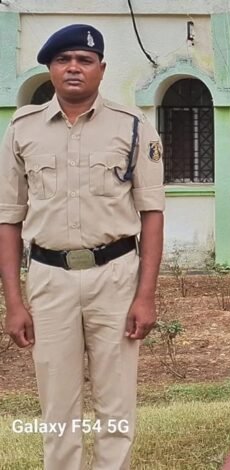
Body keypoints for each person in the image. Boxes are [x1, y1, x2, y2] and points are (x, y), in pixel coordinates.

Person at [0, 24, 164, 470]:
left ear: (101, 69)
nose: (74, 68)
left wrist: (145, 296)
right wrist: (14, 301)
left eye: (84, 60)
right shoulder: (22, 130)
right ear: (51, 70)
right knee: (57, 409)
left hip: (116, 277)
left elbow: (151, 214)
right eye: (63, 60)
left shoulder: (133, 129)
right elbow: (8, 219)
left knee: (116, 406)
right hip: (49, 280)